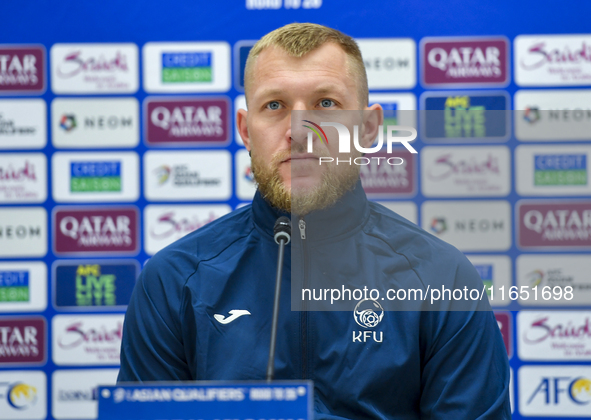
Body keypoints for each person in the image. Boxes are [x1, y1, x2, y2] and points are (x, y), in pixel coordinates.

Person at [118, 23, 511, 419]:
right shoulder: (173, 280)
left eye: (326, 104)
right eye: (275, 106)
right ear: (245, 130)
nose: (299, 131)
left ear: (369, 128)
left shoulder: (442, 278)